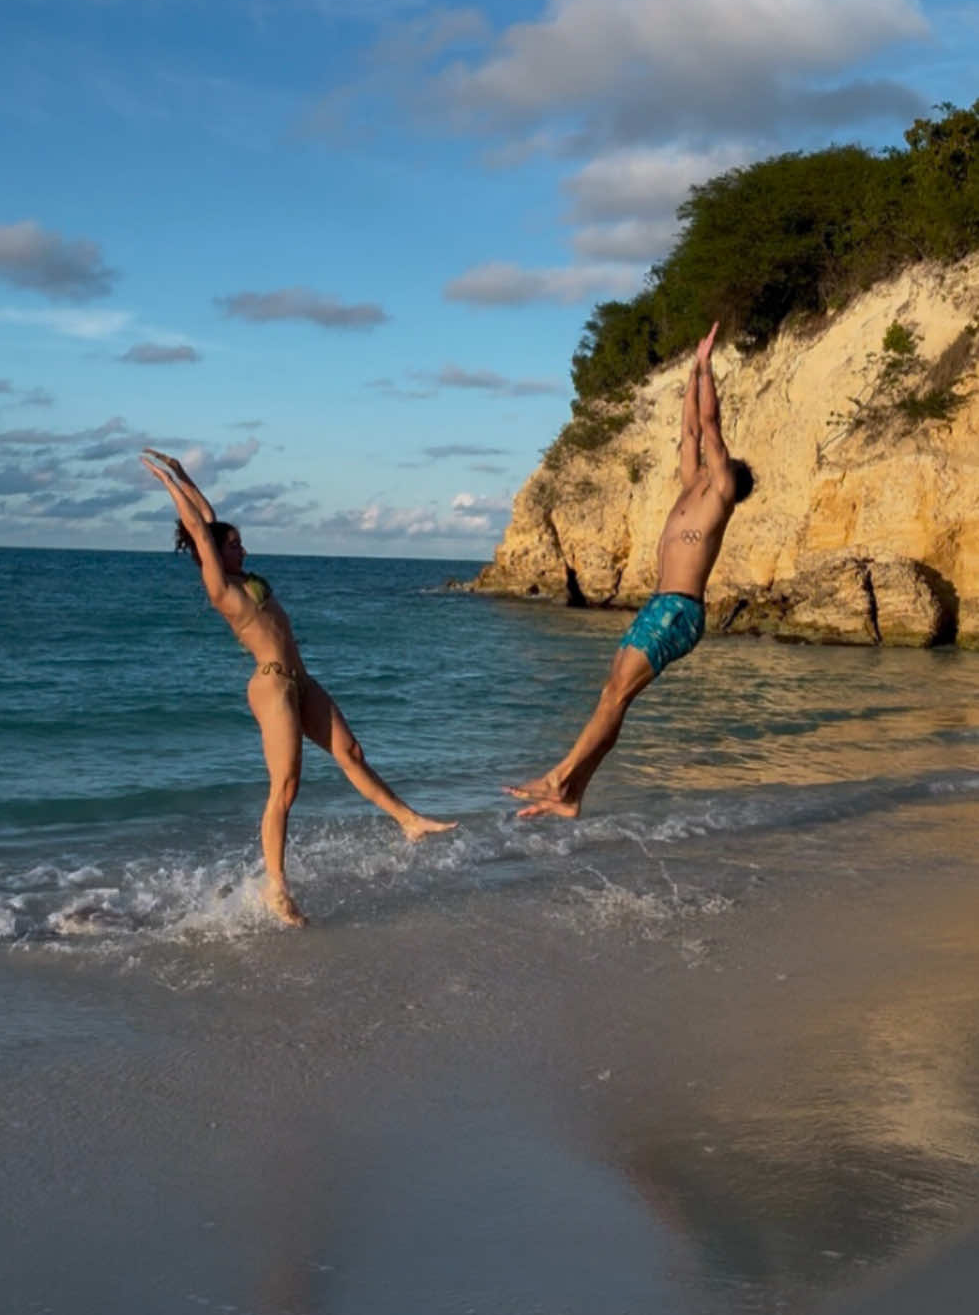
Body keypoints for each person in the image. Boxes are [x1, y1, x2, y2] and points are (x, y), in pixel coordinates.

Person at [141, 449, 456, 926]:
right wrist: (169, 486)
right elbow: (201, 529)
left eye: (240, 543)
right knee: (285, 785)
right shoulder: (219, 586)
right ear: (216, 552)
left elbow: (207, 518)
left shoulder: (244, 576)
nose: (242, 550)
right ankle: (276, 888)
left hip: (301, 680)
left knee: (350, 750)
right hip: (271, 686)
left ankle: (409, 822)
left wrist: (185, 474)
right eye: (235, 545)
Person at [505, 322, 754, 819]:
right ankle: (573, 795)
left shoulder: (720, 492)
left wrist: (709, 369)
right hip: (660, 606)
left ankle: (559, 779)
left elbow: (709, 428)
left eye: (716, 461)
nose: (705, 459)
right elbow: (688, 431)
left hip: (680, 611)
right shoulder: (691, 489)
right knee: (611, 695)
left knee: (615, 693)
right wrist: (690, 373)